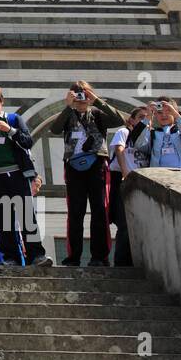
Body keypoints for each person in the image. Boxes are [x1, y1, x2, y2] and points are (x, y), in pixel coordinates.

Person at [0, 84, 52, 268]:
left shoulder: (15, 119)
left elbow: (27, 142)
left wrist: (10, 130)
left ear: (1, 102)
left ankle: (36, 255)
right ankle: (11, 257)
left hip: (18, 173)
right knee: (3, 218)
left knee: (26, 216)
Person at [54, 81, 124, 267]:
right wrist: (68, 106)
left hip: (97, 165)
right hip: (73, 166)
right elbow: (54, 128)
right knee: (75, 212)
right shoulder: (68, 115)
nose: (81, 98)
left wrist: (97, 101)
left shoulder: (98, 115)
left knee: (99, 210)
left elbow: (119, 120)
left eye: (84, 94)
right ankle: (74, 256)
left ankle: (99, 256)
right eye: (77, 94)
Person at [107, 105, 149, 268]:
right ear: (131, 120)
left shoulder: (148, 138)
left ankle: (136, 262)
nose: (143, 121)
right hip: (123, 181)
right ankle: (122, 264)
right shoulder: (124, 132)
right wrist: (126, 173)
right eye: (140, 117)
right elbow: (119, 149)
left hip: (142, 184)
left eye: (146, 118)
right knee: (124, 224)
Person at [132, 97, 181, 172]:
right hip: (159, 177)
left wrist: (177, 116)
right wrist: (148, 117)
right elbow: (138, 144)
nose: (164, 115)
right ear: (155, 114)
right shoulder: (153, 134)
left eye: (168, 111)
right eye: (160, 112)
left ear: (174, 112)